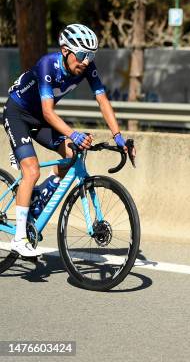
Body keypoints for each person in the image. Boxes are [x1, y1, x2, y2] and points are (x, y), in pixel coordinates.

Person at [3, 23, 134, 258]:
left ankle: (39, 194)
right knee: (31, 170)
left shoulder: (85, 67)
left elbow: (102, 100)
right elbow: (48, 112)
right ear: (65, 50)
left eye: (91, 55)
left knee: (72, 156)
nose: (86, 61)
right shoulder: (48, 65)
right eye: (82, 54)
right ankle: (19, 238)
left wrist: (119, 137)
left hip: (41, 119)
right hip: (18, 114)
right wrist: (74, 133)